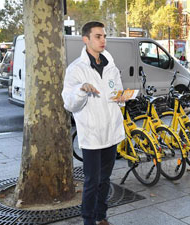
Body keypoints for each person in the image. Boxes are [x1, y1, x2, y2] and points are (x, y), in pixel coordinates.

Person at [62, 21, 126, 225]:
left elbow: (117, 92)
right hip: (92, 135)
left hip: (111, 132)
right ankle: (88, 220)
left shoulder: (110, 65)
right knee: (91, 182)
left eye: (104, 36)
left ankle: (101, 215)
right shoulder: (76, 69)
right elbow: (70, 103)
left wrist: (122, 97)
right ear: (86, 39)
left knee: (105, 180)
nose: (103, 40)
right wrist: (82, 89)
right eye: (98, 36)